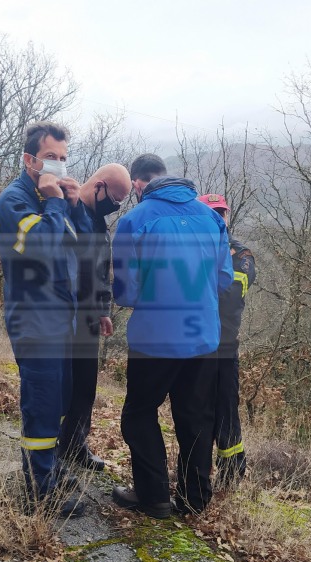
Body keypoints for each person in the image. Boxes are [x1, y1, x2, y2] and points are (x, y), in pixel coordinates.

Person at [111, 154, 233, 518]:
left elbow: (126, 291)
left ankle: (153, 498)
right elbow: (224, 279)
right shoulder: (211, 218)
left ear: (138, 184)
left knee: (140, 413)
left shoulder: (134, 221)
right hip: (203, 338)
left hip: (154, 340)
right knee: (195, 417)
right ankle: (195, 500)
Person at [0, 121, 92, 518]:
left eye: (64, 159)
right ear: (29, 159)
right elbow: (42, 249)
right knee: (43, 404)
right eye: (52, 157)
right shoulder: (13, 201)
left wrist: (73, 202)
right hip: (34, 321)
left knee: (62, 400)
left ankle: (49, 469)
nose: (59, 165)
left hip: (61, 318)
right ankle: (39, 492)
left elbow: (84, 244)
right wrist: (52, 203)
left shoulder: (55, 197)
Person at [59, 164, 132, 472]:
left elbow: (101, 271)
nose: (115, 206)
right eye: (114, 199)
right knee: (62, 385)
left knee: (85, 385)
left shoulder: (99, 223)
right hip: (65, 316)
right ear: (99, 186)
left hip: (89, 316)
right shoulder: (67, 212)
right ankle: (50, 450)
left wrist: (103, 309)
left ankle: (76, 445)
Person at [197, 194, 256, 488]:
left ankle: (233, 471)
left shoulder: (240, 254)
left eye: (222, 213)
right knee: (197, 409)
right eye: (212, 213)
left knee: (226, 410)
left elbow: (231, 294)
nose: (218, 218)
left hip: (223, 345)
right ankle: (197, 470)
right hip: (195, 344)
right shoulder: (195, 248)